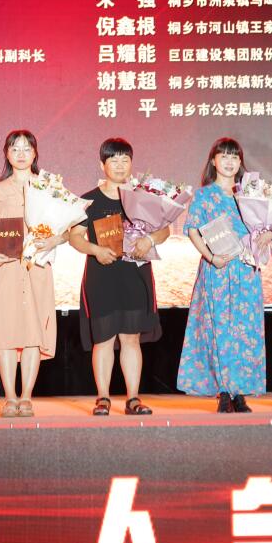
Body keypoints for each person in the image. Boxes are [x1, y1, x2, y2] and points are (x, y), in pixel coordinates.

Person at [68, 138, 165, 416]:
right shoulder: (89, 200)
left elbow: (164, 230)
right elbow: (75, 237)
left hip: (134, 275)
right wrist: (95, 249)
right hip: (102, 276)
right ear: (103, 165)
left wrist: (149, 240)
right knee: (104, 339)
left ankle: (133, 399)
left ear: (131, 164)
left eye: (125, 160)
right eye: (114, 160)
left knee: (131, 338)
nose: (120, 165)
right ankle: (103, 398)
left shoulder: (142, 196)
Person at [0, 130, 66, 417]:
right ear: (6, 153)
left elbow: (69, 227)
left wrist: (55, 240)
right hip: (6, 267)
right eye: (15, 148)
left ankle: (26, 397)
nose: (21, 154)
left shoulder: (49, 187)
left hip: (37, 267)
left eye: (27, 148)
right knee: (6, 330)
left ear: (35, 153)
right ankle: (10, 397)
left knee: (32, 331)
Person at [176, 137, 268, 412]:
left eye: (234, 157)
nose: (229, 161)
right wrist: (211, 257)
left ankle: (240, 392)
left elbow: (265, 225)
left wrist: (267, 234)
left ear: (240, 162)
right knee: (218, 330)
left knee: (246, 331)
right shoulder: (204, 195)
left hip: (246, 270)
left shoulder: (249, 194)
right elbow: (193, 230)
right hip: (217, 269)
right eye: (224, 156)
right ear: (213, 161)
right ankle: (224, 391)